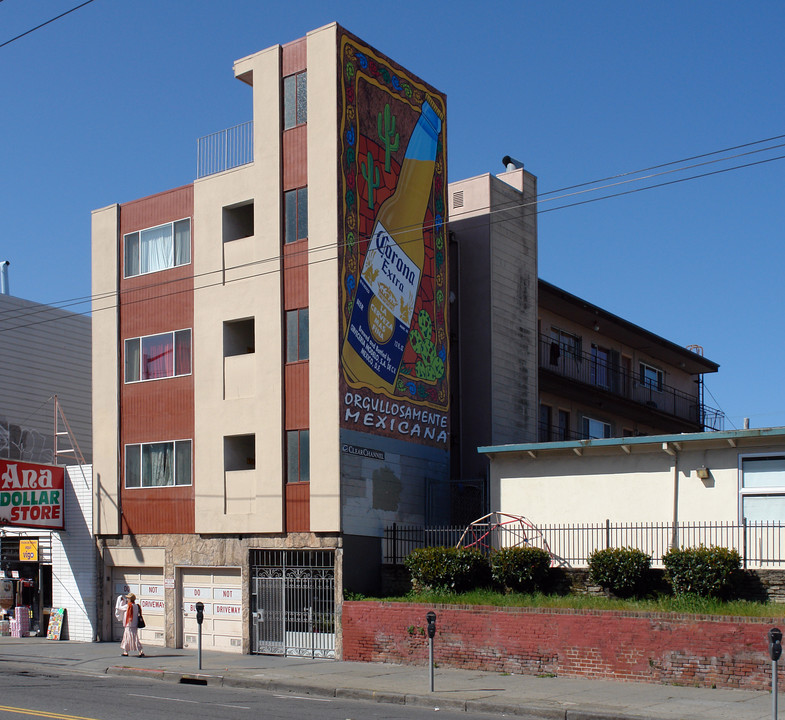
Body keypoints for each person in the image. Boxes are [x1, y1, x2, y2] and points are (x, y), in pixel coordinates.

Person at [115, 592, 145, 657]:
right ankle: (129, 651)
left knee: (128, 638)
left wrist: (120, 600)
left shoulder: (128, 606)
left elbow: (120, 607)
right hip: (134, 625)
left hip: (129, 625)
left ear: (130, 599)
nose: (127, 599)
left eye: (128, 598)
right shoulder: (136, 606)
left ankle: (133, 651)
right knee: (133, 638)